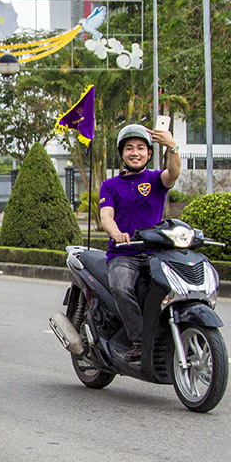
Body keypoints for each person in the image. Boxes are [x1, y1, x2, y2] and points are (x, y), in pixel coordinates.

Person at [99, 123, 181, 363]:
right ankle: (139, 342)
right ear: (122, 154)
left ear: (149, 153)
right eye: (129, 148)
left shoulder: (157, 180)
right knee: (122, 287)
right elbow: (106, 215)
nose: (135, 153)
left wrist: (172, 146)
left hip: (157, 253)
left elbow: (174, 173)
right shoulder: (110, 185)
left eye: (140, 148)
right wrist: (116, 233)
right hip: (124, 254)